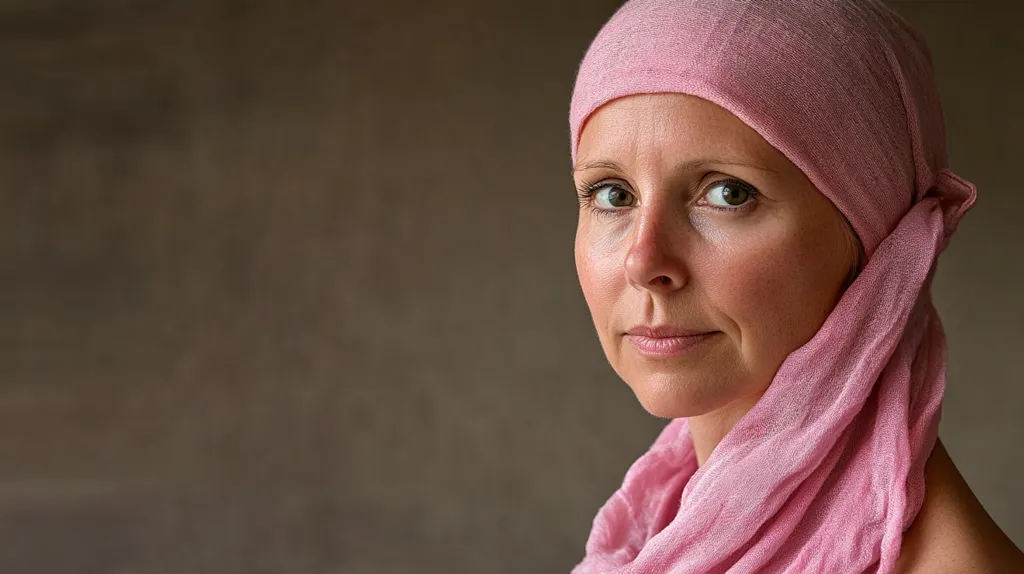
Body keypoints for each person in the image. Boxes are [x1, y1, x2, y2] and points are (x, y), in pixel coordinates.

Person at [567, 1, 1024, 572]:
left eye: (729, 193)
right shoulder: (667, 525)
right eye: (612, 194)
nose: (643, 261)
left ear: (874, 237)